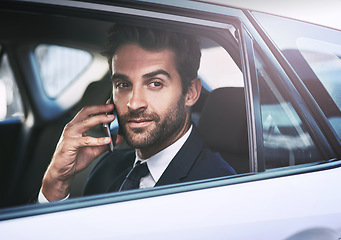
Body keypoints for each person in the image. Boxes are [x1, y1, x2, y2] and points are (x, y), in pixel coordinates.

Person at [39, 25, 235, 202]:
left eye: (155, 83)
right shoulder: (106, 167)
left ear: (191, 93)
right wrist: (55, 182)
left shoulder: (220, 189)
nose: (133, 103)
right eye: (123, 85)